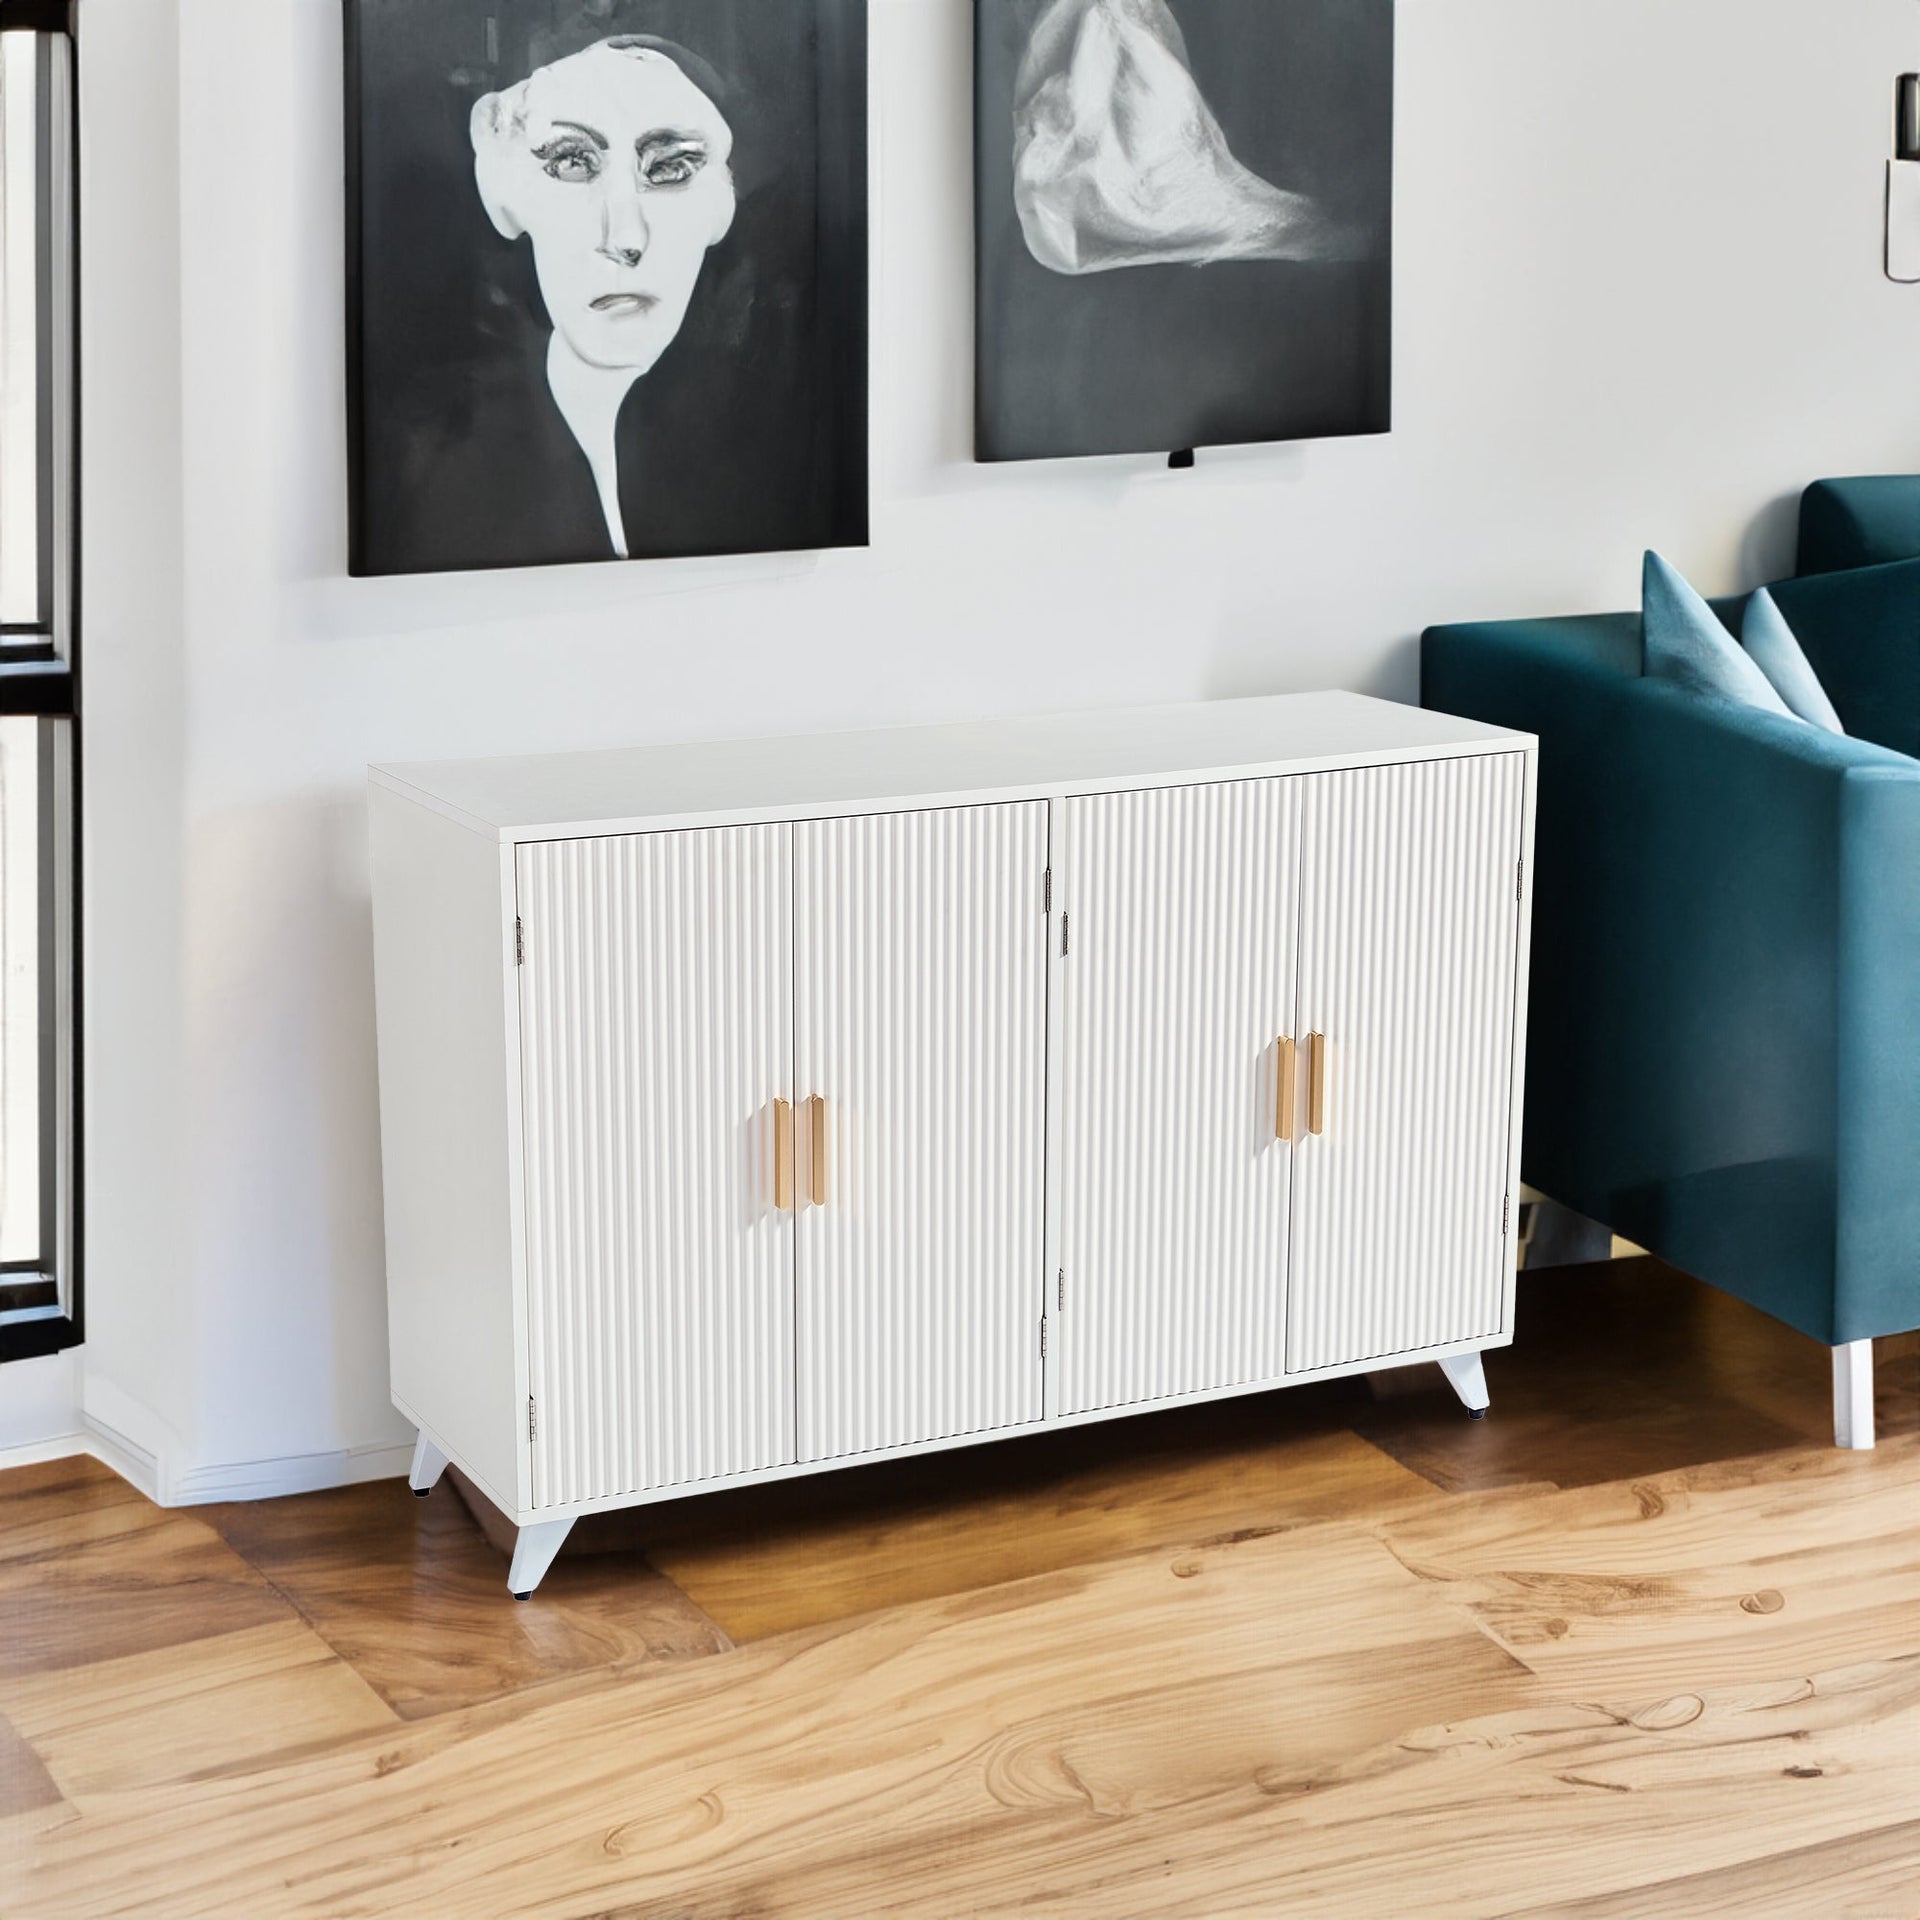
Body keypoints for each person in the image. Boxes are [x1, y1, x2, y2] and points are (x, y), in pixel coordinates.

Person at [470, 36, 737, 557]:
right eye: (572, 163)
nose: (625, 239)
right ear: (505, 193)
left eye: (670, 169)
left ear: (720, 206)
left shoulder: (763, 447)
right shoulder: (461, 463)